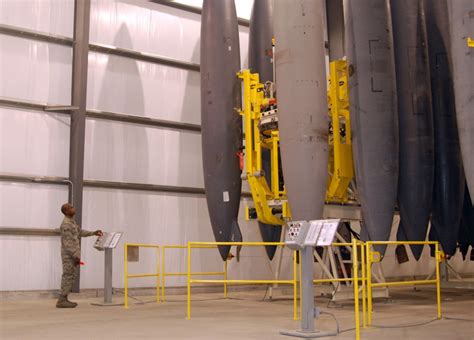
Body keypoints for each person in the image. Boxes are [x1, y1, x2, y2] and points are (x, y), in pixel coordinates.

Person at [56, 203, 102, 308]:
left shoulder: (72, 222)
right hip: (69, 256)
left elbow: (80, 232)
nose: (74, 208)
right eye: (71, 207)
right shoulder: (66, 224)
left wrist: (93, 233)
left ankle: (64, 298)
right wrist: (75, 256)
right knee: (68, 276)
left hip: (72, 255)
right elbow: (68, 244)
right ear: (67, 211)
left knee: (71, 276)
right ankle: (62, 300)